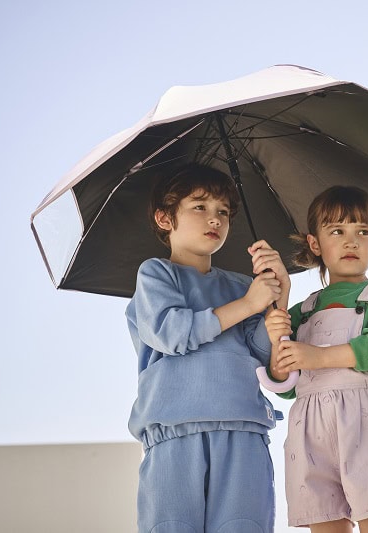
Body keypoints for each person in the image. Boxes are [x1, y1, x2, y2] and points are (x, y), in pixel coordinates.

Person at [126, 163, 290, 533]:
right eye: (199, 206)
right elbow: (172, 333)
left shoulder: (242, 285)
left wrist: (279, 294)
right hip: (174, 430)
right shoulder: (155, 274)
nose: (214, 218)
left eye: (223, 212)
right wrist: (249, 304)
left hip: (243, 427)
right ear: (165, 218)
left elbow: (269, 361)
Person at [264, 186, 368, 533]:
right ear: (315, 243)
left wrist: (319, 356)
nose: (351, 241)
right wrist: (279, 346)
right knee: (324, 523)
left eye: (363, 232)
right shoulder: (300, 312)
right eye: (337, 231)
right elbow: (285, 384)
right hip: (310, 433)